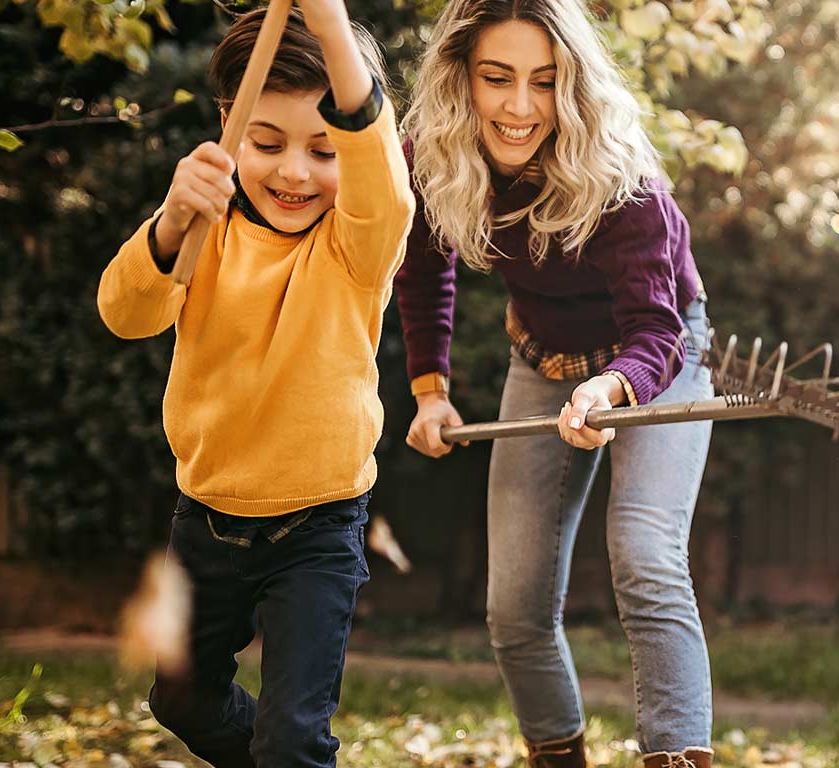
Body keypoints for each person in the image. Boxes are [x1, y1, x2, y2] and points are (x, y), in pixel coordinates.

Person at [394, 1, 714, 765]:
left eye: (545, 81)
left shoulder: (622, 174)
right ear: (459, 78)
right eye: (497, 79)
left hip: (659, 358)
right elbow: (423, 268)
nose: (519, 106)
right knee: (514, 608)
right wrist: (429, 390)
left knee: (645, 555)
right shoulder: (431, 153)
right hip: (540, 359)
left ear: (570, 83)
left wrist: (608, 390)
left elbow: (657, 331)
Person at [95, 1, 414, 763]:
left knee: (294, 738)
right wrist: (171, 223)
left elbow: (387, 192)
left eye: (325, 150)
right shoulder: (206, 228)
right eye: (266, 142)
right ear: (229, 128)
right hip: (205, 519)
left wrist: (331, 24)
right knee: (180, 695)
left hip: (319, 528)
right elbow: (126, 312)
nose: (295, 171)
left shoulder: (355, 249)